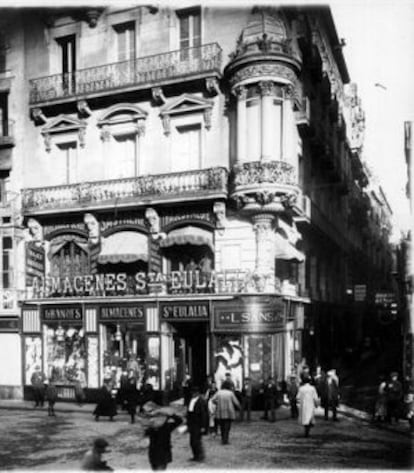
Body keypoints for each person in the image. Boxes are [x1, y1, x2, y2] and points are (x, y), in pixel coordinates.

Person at [187, 386, 208, 462]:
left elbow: (203, 415)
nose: (192, 394)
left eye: (193, 393)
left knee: (197, 441)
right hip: (192, 423)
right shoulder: (192, 400)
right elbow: (189, 412)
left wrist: (203, 426)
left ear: (197, 393)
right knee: (192, 441)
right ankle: (195, 455)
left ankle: (200, 456)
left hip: (198, 423)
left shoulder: (201, 401)